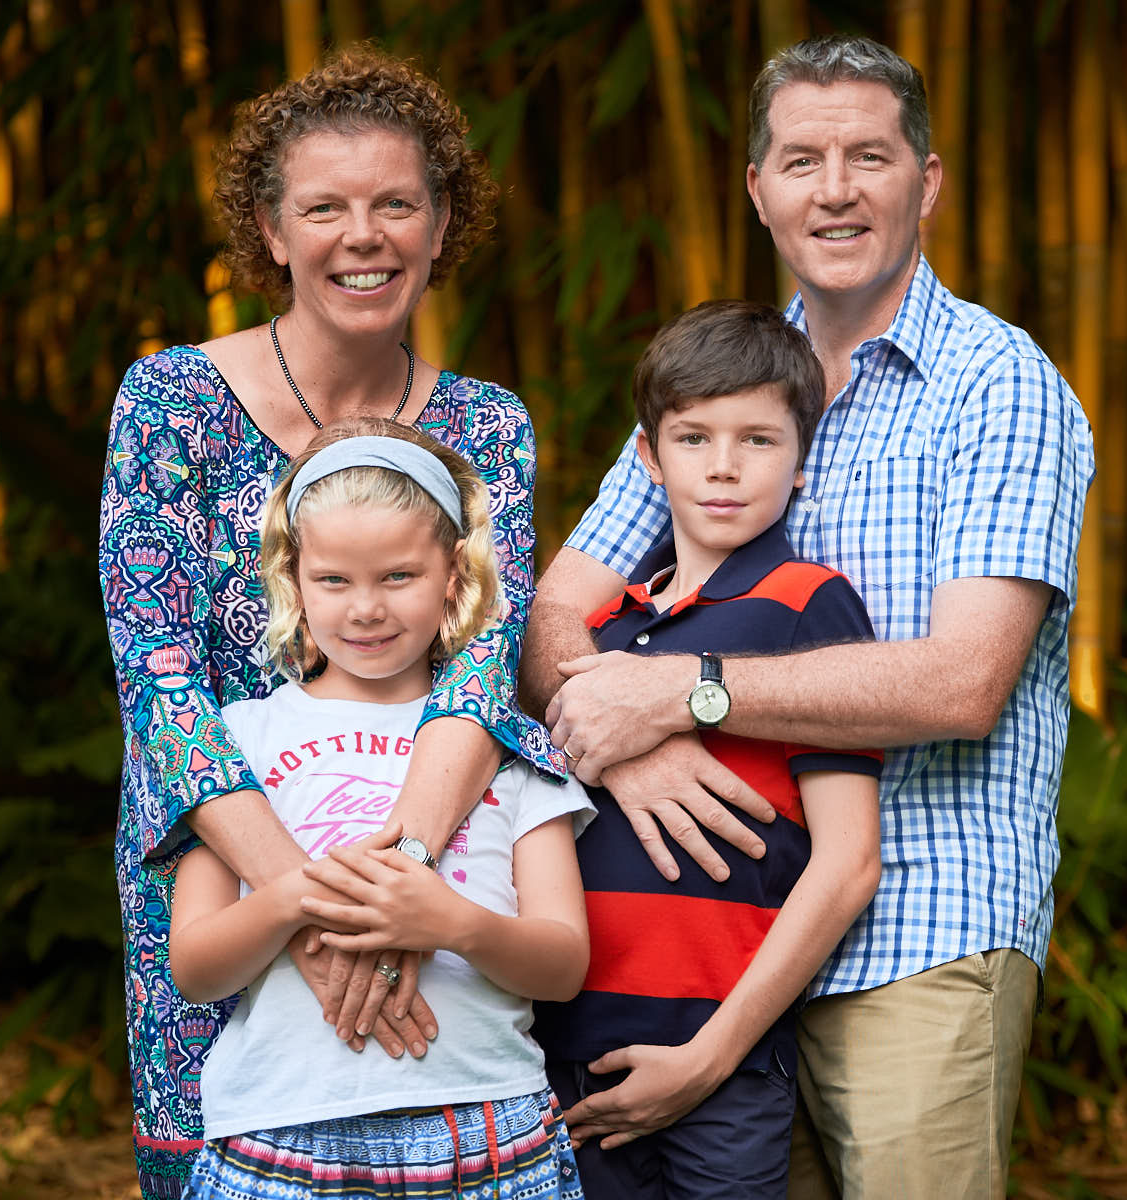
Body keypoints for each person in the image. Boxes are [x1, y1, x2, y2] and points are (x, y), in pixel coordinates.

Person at [527, 34, 1095, 1200]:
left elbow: (960, 684)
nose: (834, 189)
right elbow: (549, 618)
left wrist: (687, 692)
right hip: (702, 956)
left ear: (926, 181)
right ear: (759, 189)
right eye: (801, 159)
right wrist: (628, 751)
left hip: (920, 935)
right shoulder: (723, 393)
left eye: (868, 157)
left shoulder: (1001, 385)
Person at [98, 46, 567, 1198]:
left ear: (441, 221)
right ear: (272, 229)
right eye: (325, 208)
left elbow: (482, 665)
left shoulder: (487, 426)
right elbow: (160, 684)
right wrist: (301, 912)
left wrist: (395, 895)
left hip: (437, 892)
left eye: (396, 203)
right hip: (218, 880)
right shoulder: (169, 402)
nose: (363, 235)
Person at [170, 420, 591, 1200]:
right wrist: (293, 896)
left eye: (398, 576)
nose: (364, 609)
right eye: (334, 580)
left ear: (454, 578)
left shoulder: (512, 747)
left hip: (488, 1137)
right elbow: (194, 968)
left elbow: (565, 964)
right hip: (277, 1137)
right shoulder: (240, 742)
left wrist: (452, 924)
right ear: (293, 580)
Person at [530, 301, 883, 1198]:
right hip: (563, 1055)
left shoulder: (809, 604)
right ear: (648, 457)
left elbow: (848, 864)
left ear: (803, 461)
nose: (723, 467)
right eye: (693, 438)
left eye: (759, 440)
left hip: (719, 1056)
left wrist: (715, 1051)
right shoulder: (598, 635)